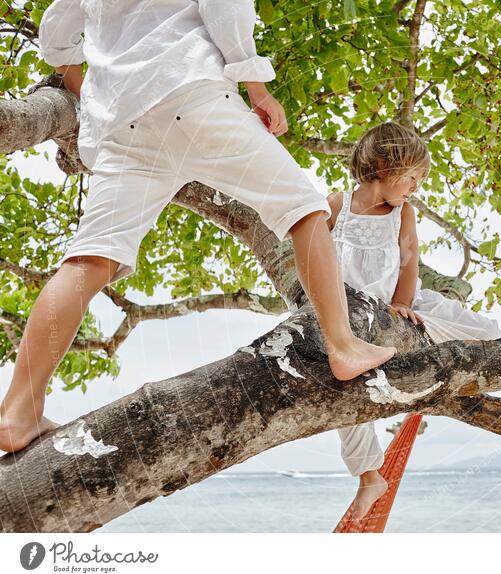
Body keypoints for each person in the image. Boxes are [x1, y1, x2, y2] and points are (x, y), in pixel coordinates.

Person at [0, 0, 396, 454]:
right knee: (304, 209)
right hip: (190, 91)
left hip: (121, 126)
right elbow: (225, 7)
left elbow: (56, 32)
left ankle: (17, 410)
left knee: (89, 259)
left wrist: (91, 94)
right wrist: (258, 89)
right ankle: (343, 345)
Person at [327, 122, 501, 521]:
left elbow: (409, 260)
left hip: (400, 303)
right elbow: (315, 257)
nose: (416, 187)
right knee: (345, 388)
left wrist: (402, 304)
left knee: (473, 327)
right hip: (352, 315)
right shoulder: (337, 205)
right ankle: (370, 475)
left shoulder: (402, 212)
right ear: (384, 166)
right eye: (412, 177)